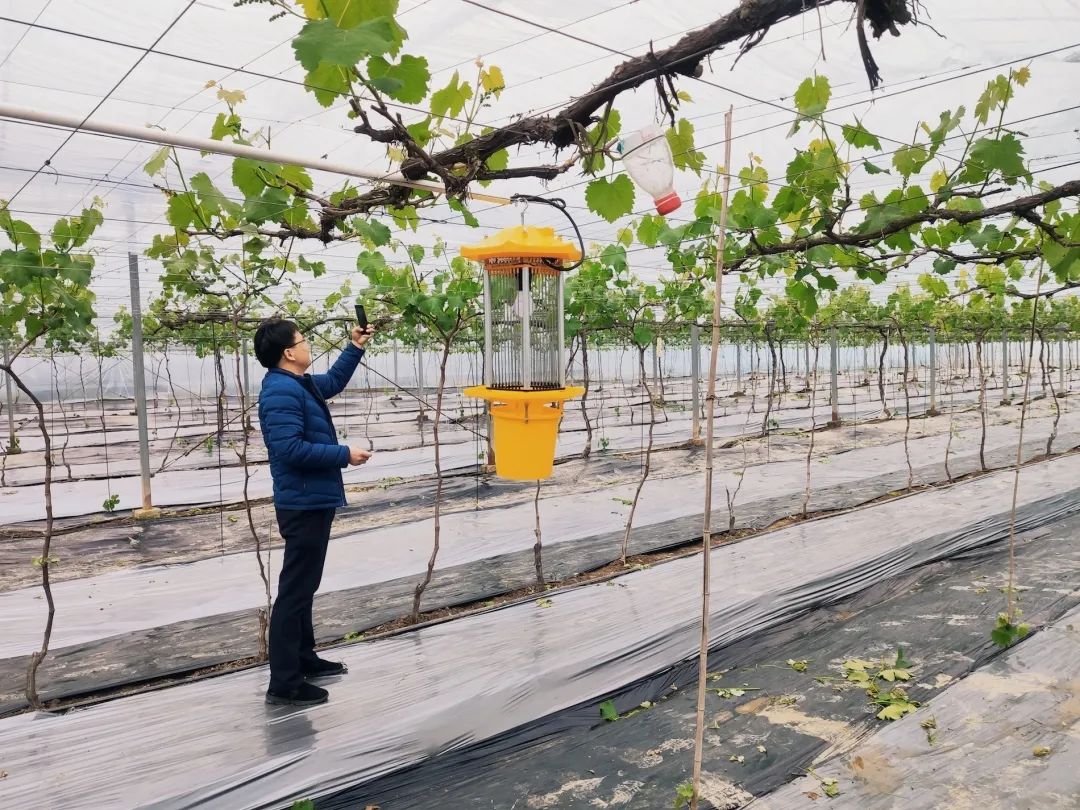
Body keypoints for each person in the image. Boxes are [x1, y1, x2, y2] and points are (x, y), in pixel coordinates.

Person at [254, 317, 375, 706]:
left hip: (312, 499)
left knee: (305, 586)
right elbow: (288, 449)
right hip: (302, 502)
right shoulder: (280, 393)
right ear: (289, 352)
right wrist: (344, 454)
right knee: (294, 591)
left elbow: (333, 382)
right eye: (303, 340)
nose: (309, 345)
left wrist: (355, 347)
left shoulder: (298, 385)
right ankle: (284, 682)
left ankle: (305, 658)